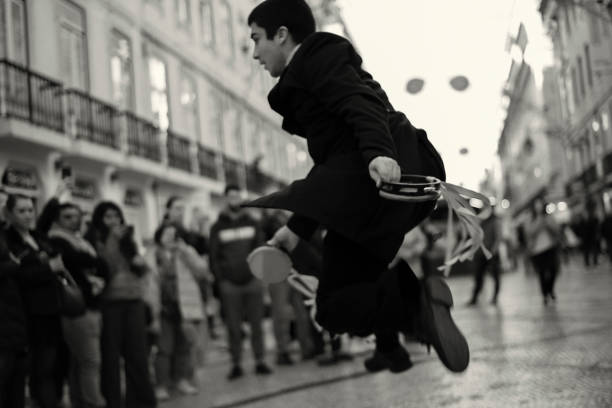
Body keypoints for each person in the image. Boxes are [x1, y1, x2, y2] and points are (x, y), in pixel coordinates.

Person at [245, 0, 467, 374]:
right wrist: (295, 230)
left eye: (256, 40)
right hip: (383, 183)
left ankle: (418, 305)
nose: (255, 54)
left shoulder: (317, 55)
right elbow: (331, 166)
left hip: (378, 181)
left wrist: (380, 154)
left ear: (282, 35)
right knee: (359, 280)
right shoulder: (311, 70)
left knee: (332, 307)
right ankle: (390, 346)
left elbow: (358, 102)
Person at [38, 190, 108, 408]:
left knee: (80, 363)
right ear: (57, 219)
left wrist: (96, 266)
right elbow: (74, 259)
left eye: (77, 215)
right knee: (90, 361)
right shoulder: (55, 239)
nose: (73, 220)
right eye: (67, 216)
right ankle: (93, 403)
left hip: (90, 307)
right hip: (76, 309)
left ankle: (82, 401)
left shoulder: (81, 240)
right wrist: (94, 262)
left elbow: (103, 266)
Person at [85, 201, 156, 408]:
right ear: (100, 219)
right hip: (110, 304)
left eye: (116, 216)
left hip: (134, 300)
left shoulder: (127, 240)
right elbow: (108, 267)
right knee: (111, 358)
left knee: (138, 355)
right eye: (108, 216)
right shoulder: (96, 240)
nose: (113, 220)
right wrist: (114, 240)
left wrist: (140, 265)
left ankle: (141, 401)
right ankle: (113, 401)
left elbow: (142, 270)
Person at [4, 194, 66, 408]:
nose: (28, 215)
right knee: (37, 368)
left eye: (30, 210)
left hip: (51, 309)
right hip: (28, 313)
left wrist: (58, 194)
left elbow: (46, 219)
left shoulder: (37, 236)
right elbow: (19, 275)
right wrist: (47, 268)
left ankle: (49, 400)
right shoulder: (8, 239)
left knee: (51, 366)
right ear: (9, 214)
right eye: (22, 211)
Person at [209, 185, 272, 380]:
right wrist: (221, 280)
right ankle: (236, 364)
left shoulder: (252, 223)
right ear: (226, 199)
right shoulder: (217, 227)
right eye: (231, 196)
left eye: (237, 195)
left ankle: (260, 361)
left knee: (256, 325)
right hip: (229, 285)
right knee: (233, 327)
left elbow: (260, 249)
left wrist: (259, 276)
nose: (234, 199)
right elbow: (213, 256)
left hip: (252, 281)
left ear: (240, 198)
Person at [145, 223, 213, 400]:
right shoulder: (151, 254)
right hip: (161, 308)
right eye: (166, 234)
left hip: (185, 307)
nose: (169, 238)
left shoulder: (185, 253)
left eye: (173, 235)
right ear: (158, 235)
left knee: (184, 346)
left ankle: (181, 379)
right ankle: (161, 384)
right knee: (163, 349)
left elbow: (202, 271)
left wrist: (186, 251)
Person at [526, 199, 562, 305]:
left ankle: (550, 289)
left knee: (553, 270)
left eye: (540, 204)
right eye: (536, 205)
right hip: (537, 250)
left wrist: (547, 223)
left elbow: (556, 229)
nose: (538, 207)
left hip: (550, 247)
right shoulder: (530, 218)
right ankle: (544, 295)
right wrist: (539, 222)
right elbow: (529, 232)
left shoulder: (549, 216)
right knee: (542, 273)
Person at [467, 211, 502, 305]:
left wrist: (493, 251)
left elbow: (498, 237)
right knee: (478, 276)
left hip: (491, 253)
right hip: (480, 253)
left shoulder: (495, 221)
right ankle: (474, 298)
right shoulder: (481, 221)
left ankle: (495, 297)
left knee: (495, 277)